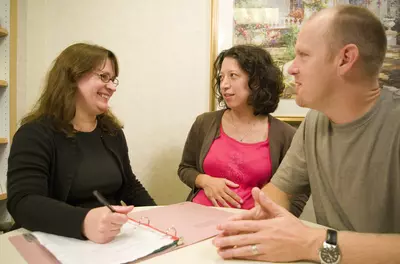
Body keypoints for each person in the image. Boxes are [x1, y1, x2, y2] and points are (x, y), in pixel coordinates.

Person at [213, 5, 400, 263]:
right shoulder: (315, 122)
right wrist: (251, 224)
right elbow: (279, 193)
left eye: (303, 55)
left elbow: (308, 243)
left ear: (345, 59)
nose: (291, 68)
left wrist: (310, 243)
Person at [7, 43, 156, 244]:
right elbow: (23, 202)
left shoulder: (112, 132)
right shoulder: (34, 133)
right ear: (72, 77)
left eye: (113, 80)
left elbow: (129, 185)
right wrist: (83, 222)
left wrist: (159, 217)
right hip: (56, 241)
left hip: (110, 241)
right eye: (103, 77)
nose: (112, 87)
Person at [178, 45, 308, 215]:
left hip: (250, 227)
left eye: (233, 76)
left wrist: (272, 218)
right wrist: (205, 181)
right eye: (221, 77)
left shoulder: (285, 135)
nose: (224, 85)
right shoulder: (204, 123)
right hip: (197, 217)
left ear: (256, 81)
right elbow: (185, 168)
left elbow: (299, 195)